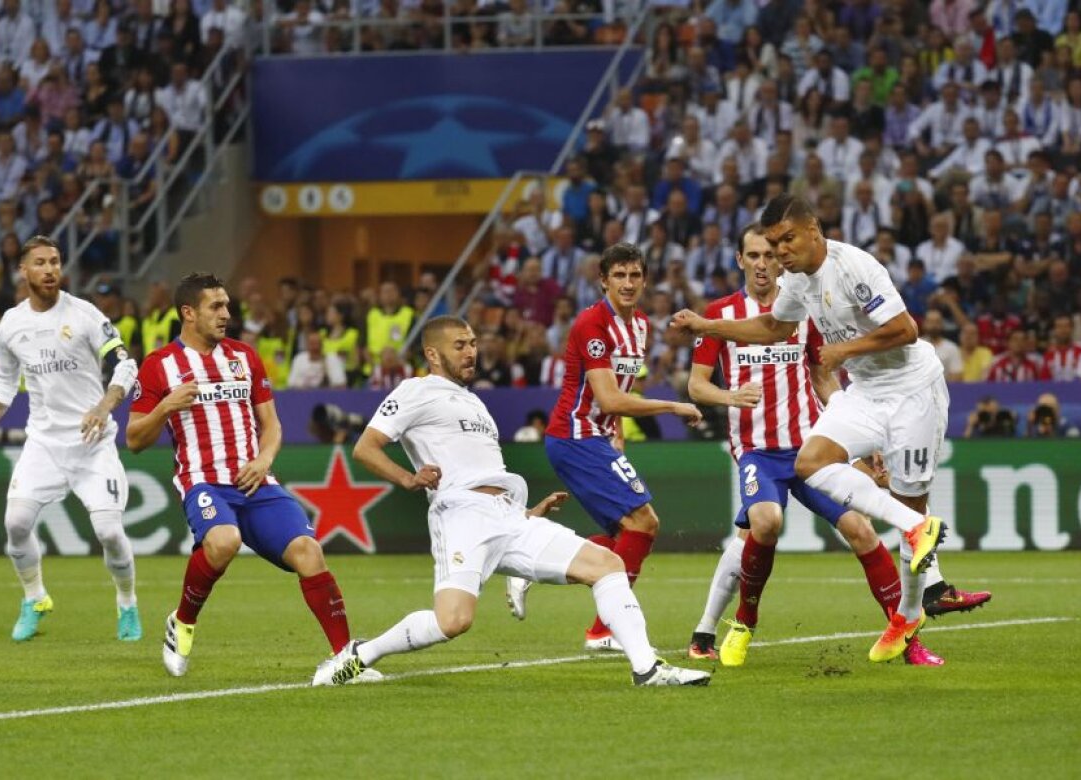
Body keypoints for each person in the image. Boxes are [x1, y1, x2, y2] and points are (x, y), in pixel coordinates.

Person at [314, 316, 709, 688]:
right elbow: (366, 448)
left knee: (607, 564)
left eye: (472, 344)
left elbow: (484, 471)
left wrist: (526, 512)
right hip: (462, 517)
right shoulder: (416, 391)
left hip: (509, 517)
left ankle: (647, 668)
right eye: (459, 346)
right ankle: (360, 654)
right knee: (453, 621)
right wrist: (408, 477)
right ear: (433, 354)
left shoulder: (475, 403)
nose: (471, 352)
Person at [672, 194, 949, 664]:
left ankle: (909, 639)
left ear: (810, 232)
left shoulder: (819, 287)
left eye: (778, 246)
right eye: (760, 252)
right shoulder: (726, 312)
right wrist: (714, 347)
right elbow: (706, 379)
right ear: (740, 259)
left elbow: (825, 374)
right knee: (764, 524)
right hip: (759, 449)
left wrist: (859, 448)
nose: (772, 258)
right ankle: (734, 624)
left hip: (811, 436)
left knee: (862, 530)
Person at [126, 272, 358, 678]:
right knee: (224, 540)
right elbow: (134, 439)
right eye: (215, 306)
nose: (226, 314)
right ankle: (182, 623)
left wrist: (265, 459)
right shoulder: (160, 366)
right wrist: (165, 407)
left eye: (227, 305)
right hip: (204, 481)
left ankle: (346, 658)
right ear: (188, 313)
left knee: (309, 552)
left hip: (256, 483)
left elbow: (272, 424)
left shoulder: (244, 357)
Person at [0, 236, 141, 643]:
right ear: (23, 271)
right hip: (43, 444)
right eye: (39, 263)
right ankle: (34, 598)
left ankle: (127, 604)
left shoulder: (87, 315)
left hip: (93, 443)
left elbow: (126, 366)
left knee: (110, 532)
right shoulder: (12, 324)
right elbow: (4, 385)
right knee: (16, 523)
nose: (49, 269)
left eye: (55, 261)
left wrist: (104, 406)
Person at [521, 243, 703, 653]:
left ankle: (532, 565)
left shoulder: (639, 325)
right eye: (619, 275)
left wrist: (616, 433)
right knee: (644, 522)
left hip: (595, 437)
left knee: (628, 533)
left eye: (635, 275)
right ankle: (605, 629)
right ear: (603, 280)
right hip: (574, 435)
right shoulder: (592, 325)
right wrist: (672, 405)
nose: (627, 283)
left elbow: (617, 392)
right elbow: (610, 398)